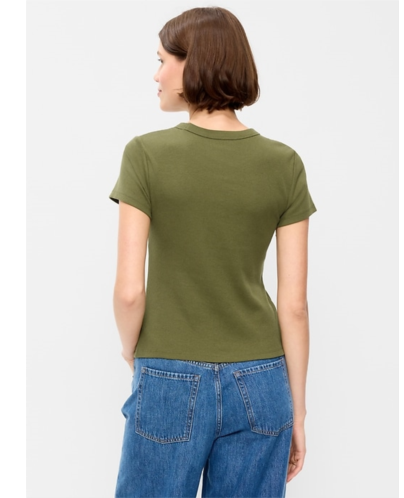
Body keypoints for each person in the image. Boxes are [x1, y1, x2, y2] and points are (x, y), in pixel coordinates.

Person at [109, 7, 317, 498]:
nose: (156, 75)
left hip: (168, 373)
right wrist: (298, 412)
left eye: (162, 61)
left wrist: (132, 351)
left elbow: (129, 292)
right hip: (263, 382)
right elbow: (294, 306)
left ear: (193, 64)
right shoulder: (284, 163)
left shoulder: (145, 154)